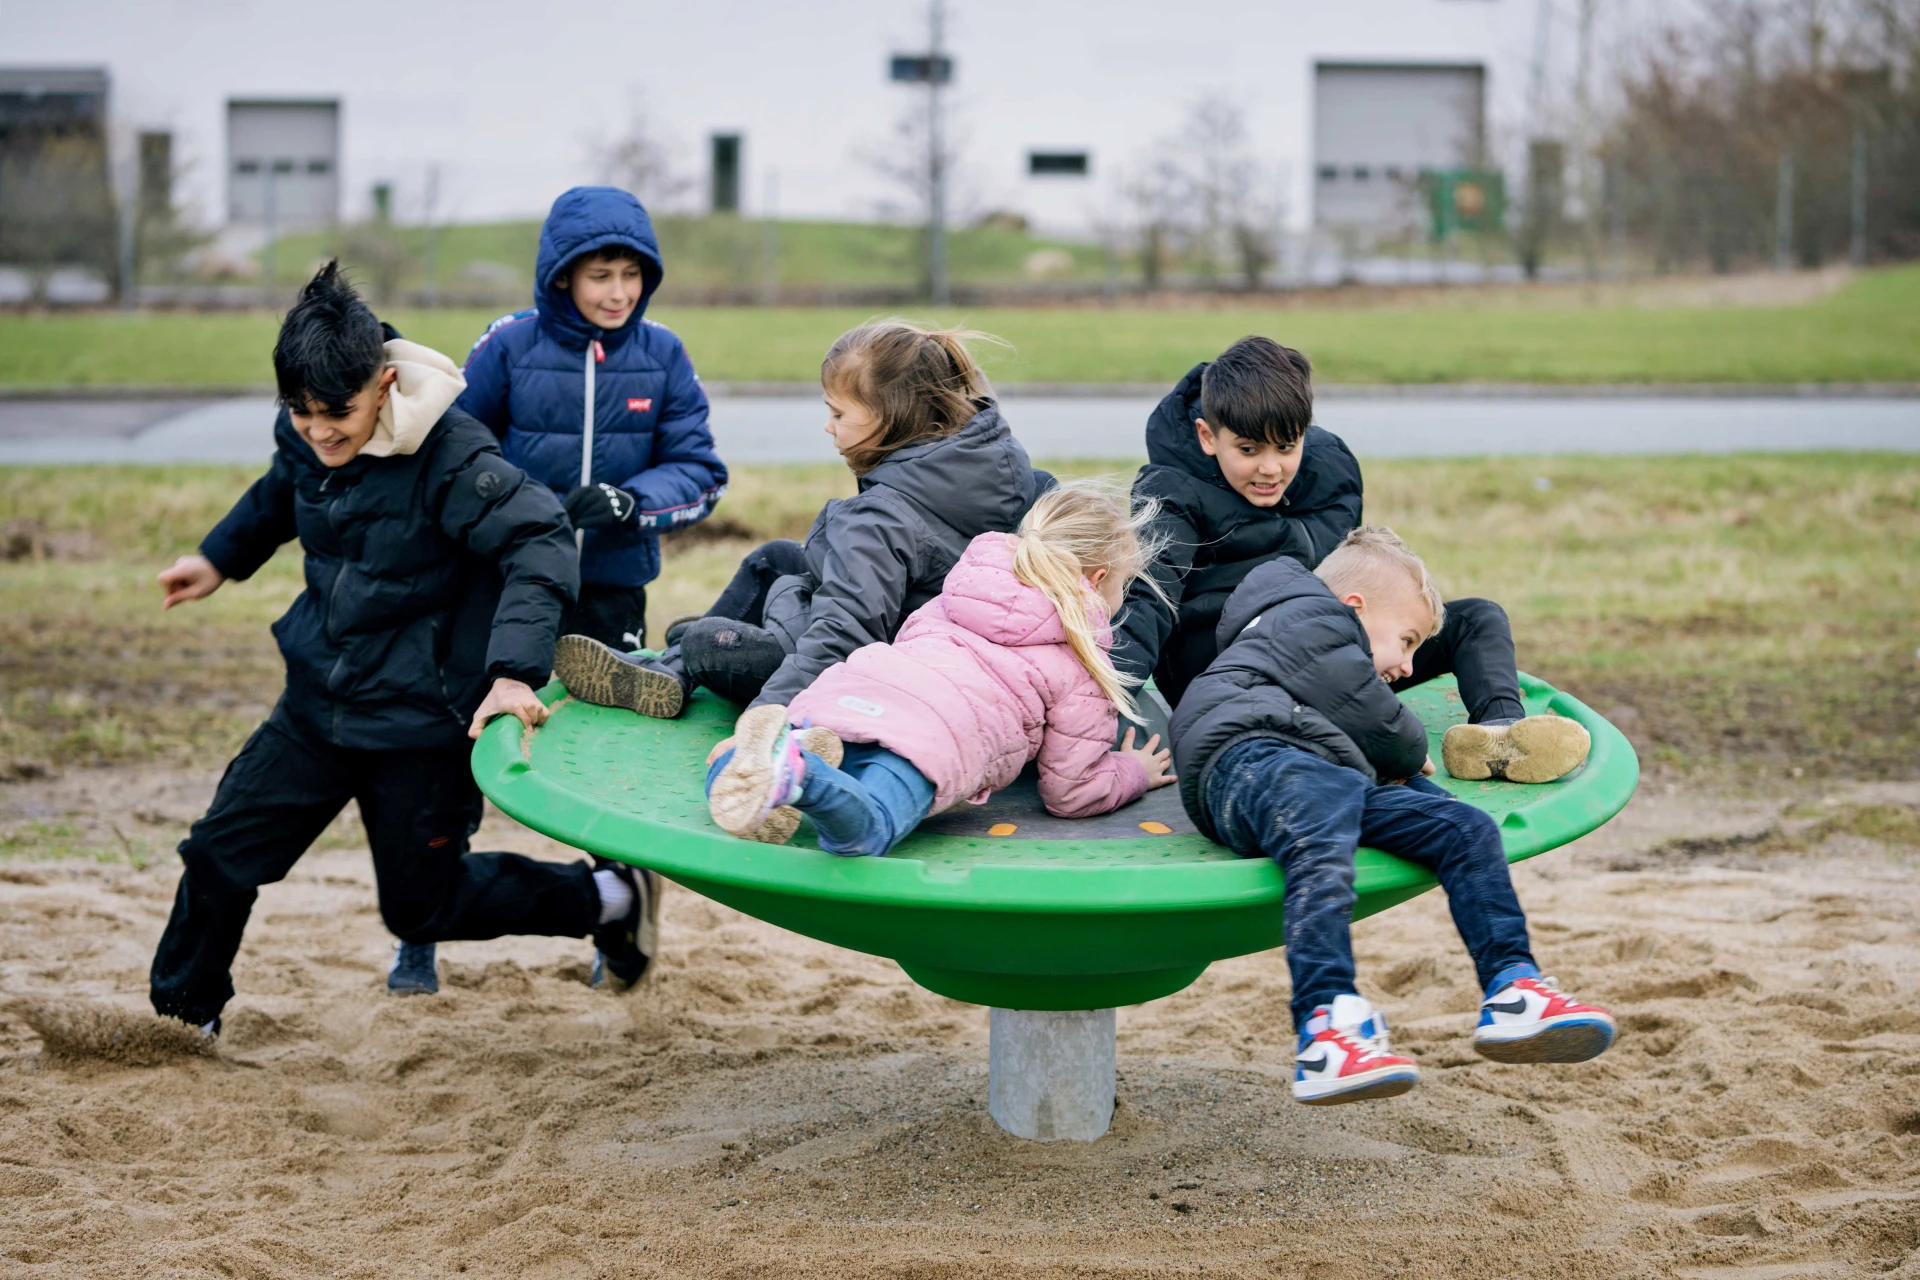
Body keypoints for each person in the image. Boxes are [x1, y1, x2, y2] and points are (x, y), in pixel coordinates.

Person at [148, 263, 660, 1036]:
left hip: (422, 719)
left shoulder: (450, 455)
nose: (319, 428)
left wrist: (513, 675)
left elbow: (540, 536)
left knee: (423, 905)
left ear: (383, 384)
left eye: (337, 413)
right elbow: (283, 486)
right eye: (300, 410)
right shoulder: (307, 431)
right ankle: (181, 1020)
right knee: (219, 854)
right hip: (320, 701)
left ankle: (612, 899)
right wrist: (219, 558)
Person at [1170, 527, 1613, 1107]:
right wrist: (1409, 749)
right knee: (1322, 831)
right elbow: (1377, 720)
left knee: (1464, 830)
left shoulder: (1317, 657)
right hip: (1246, 760)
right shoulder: (1307, 614)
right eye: (1405, 641)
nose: (1407, 666)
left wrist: (1434, 805)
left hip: (1318, 774)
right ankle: (1326, 1026)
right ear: (1355, 608)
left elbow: (1352, 738)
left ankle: (1514, 987)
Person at [1111, 335, 1588, 785]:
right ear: (1208, 437)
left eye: (1286, 446)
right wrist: (1096, 717)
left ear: (1304, 433)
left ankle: (1501, 735)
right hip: (1232, 680)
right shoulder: (1171, 494)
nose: (1270, 468)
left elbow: (1357, 579)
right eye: (1249, 450)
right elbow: (1146, 604)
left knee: (1477, 618)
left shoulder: (1326, 471)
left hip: (1334, 657)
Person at [555, 319, 1050, 720]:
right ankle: (674, 665)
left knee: (708, 641)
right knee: (775, 558)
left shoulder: (877, 521)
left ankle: (685, 660)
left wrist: (767, 720)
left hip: (868, 671)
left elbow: (842, 637)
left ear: (895, 418)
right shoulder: (1013, 473)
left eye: (839, 413)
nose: (828, 426)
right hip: (930, 645)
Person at [705, 483, 1177, 854]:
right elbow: (1071, 793)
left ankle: (770, 758)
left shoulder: (958, 593)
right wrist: (1131, 771)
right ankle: (796, 773)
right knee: (864, 832)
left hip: (849, 691)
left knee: (781, 769)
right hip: (930, 740)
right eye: (1125, 583)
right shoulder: (1080, 661)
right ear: (1096, 580)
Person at [457, 186, 727, 654]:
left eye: (631, 274)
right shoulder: (508, 344)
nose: (619, 293)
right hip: (509, 580)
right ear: (563, 277)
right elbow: (455, 450)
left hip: (611, 589)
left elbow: (701, 474)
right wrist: (510, 508)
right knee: (504, 715)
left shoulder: (664, 354)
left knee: (603, 722)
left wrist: (632, 503)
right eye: (600, 276)